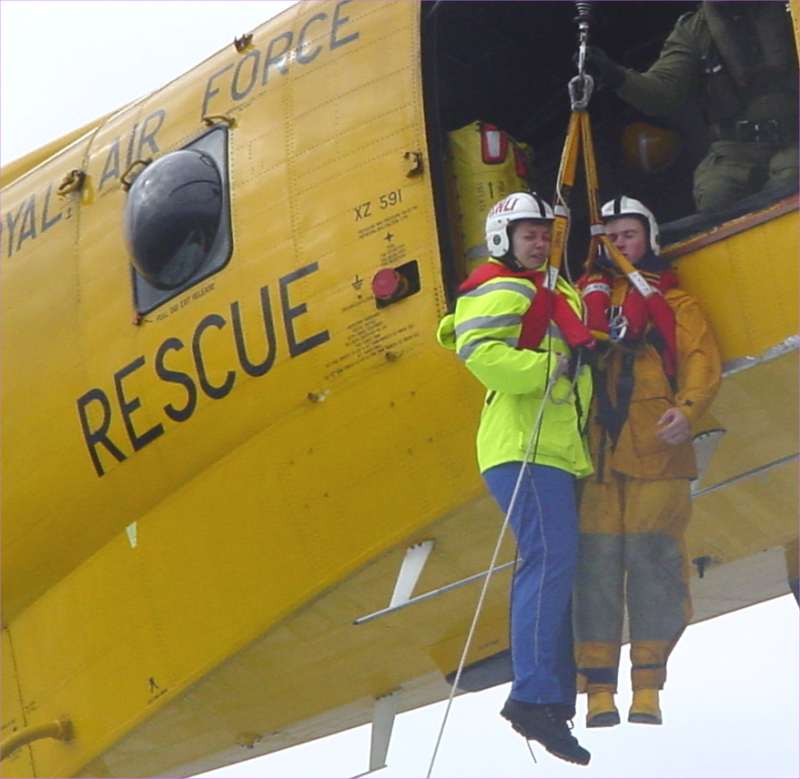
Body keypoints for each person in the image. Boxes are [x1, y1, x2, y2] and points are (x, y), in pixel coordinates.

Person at [436, 192, 594, 765]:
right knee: (548, 558)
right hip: (521, 449)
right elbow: (480, 352)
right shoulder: (503, 286)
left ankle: (549, 701)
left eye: (544, 234)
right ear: (503, 238)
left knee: (558, 564)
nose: (538, 242)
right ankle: (532, 696)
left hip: (552, 449)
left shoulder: (556, 291)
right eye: (527, 233)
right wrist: (550, 366)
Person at [574, 196, 722, 728]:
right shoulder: (579, 305)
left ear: (649, 239)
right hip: (596, 458)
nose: (621, 245)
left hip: (658, 451)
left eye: (630, 235)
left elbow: (702, 360)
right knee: (594, 569)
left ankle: (648, 686)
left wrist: (688, 412)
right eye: (611, 237)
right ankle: (595, 690)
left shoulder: (675, 305)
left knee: (655, 565)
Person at [584, 1, 798, 212]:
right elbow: (662, 93)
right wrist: (615, 75)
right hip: (736, 147)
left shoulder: (789, 8)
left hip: (794, 135)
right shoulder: (696, 29)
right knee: (715, 192)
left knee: (789, 179)